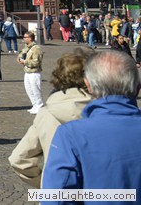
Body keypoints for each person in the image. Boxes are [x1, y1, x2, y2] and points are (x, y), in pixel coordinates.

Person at [42, 51, 141, 194]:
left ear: (88, 86)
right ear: (137, 88)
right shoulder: (72, 134)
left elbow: (57, 196)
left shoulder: (71, 135)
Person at [8, 48, 93, 188]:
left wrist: (45, 183)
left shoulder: (46, 113)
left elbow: (19, 159)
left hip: (59, 191)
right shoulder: (110, 110)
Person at [18, 31, 44, 113]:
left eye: (25, 37)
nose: (24, 39)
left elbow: (36, 62)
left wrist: (25, 62)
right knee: (29, 89)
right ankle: (34, 104)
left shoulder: (36, 48)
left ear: (30, 38)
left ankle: (39, 105)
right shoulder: (26, 47)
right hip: (27, 71)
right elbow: (22, 54)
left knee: (35, 89)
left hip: (34, 72)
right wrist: (19, 58)